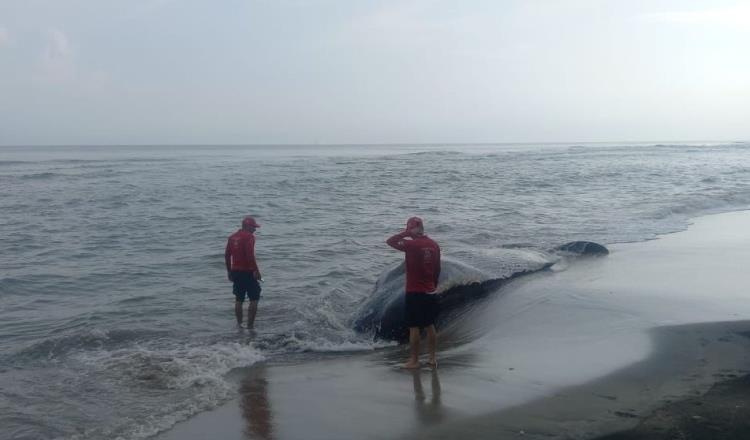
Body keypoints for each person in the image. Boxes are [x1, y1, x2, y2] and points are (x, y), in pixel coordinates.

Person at [386, 217, 441, 369]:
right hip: (430, 291)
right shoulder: (434, 245)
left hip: (415, 292)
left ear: (411, 229)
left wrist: (404, 233)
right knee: (430, 325)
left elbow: (390, 241)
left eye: (409, 229)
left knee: (414, 327)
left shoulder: (411, 244)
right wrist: (433, 287)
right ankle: (432, 358)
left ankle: (414, 361)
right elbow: (437, 269)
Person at [225, 216, 262, 328]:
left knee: (239, 299)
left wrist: (229, 272)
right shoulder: (249, 237)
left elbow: (227, 256)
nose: (254, 230)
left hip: (236, 271)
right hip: (248, 271)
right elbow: (250, 255)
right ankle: (250, 326)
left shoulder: (232, 237)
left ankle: (239, 325)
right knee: (254, 298)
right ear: (247, 226)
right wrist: (256, 270)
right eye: (253, 227)